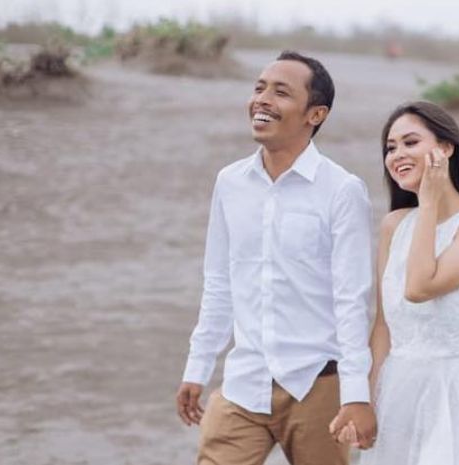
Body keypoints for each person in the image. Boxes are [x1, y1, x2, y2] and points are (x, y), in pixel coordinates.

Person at [175, 50, 377, 465]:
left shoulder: (342, 190)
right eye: (259, 88)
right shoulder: (230, 182)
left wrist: (356, 394)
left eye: (281, 92)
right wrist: (198, 366)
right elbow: (219, 282)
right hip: (244, 382)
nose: (262, 100)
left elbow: (352, 298)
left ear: (315, 114)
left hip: (317, 385)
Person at [337, 101, 459, 464]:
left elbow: (419, 288)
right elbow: (383, 326)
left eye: (410, 142)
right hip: (401, 394)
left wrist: (428, 204)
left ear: (445, 148)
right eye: (390, 148)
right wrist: (366, 401)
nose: (397, 155)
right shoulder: (394, 225)